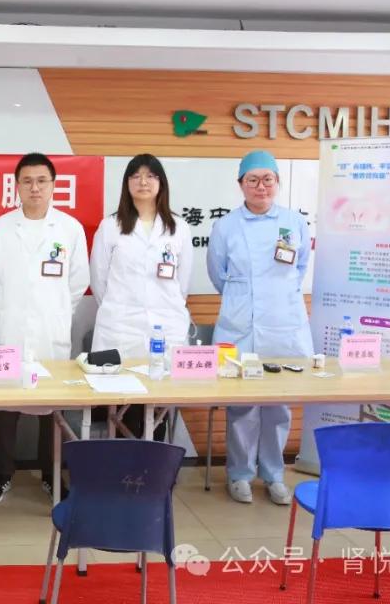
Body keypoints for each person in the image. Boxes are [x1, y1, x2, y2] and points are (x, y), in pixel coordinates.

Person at [208, 150, 313, 506]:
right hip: (241, 325)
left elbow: (300, 269)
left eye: (267, 179)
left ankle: (274, 475)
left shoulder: (294, 222)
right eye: (252, 180)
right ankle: (239, 474)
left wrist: (276, 296)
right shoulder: (225, 226)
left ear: (277, 183)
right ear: (241, 185)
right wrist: (243, 300)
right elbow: (218, 273)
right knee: (242, 404)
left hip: (284, 324)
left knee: (278, 405)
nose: (260, 186)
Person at [0, 154, 89, 505]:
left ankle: (51, 473)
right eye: (27, 181)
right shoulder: (0, 227)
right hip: (9, 327)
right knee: (3, 406)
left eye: (42, 180)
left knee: (52, 408)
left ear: (53, 185)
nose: (34, 188)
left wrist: (55, 312)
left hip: (50, 329)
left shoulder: (69, 228)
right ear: (16, 186)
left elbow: (78, 281)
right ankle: (1, 474)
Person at [90, 154, 193, 439]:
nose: (143, 182)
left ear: (161, 182)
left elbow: (182, 282)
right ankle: (123, 464)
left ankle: (155, 465)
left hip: (166, 326)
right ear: (126, 183)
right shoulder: (110, 226)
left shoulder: (178, 227)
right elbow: (99, 279)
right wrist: (120, 308)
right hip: (120, 327)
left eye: (150, 176)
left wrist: (164, 306)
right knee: (122, 402)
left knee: (158, 401)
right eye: (135, 176)